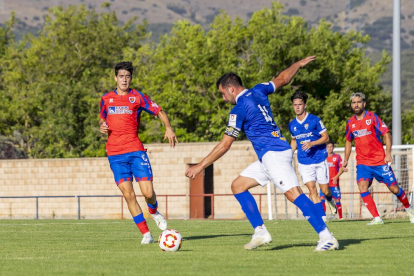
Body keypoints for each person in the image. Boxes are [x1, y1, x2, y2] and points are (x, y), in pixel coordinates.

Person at [185, 56, 339, 252]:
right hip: (269, 156)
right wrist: (297, 65)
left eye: (223, 94)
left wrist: (199, 166)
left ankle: (327, 237)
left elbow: (225, 144)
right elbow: (283, 79)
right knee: (238, 186)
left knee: (295, 194)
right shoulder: (258, 89)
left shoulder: (238, 109)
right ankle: (260, 231)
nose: (223, 98)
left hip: (273, 154)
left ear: (231, 89)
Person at [99, 61, 178, 243]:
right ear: (115, 78)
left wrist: (168, 127)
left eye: (127, 76)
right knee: (128, 194)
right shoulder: (106, 99)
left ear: (131, 78)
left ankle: (153, 211)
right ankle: (146, 234)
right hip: (115, 153)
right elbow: (102, 118)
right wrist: (102, 125)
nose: (124, 80)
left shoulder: (138, 97)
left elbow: (159, 111)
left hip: (135, 150)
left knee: (148, 193)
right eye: (121, 76)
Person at [343, 92, 414, 225]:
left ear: (364, 103)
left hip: (380, 161)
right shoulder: (350, 123)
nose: (356, 104)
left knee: (394, 189)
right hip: (363, 163)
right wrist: (346, 159)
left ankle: (409, 209)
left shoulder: (372, 117)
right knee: (362, 187)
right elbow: (348, 140)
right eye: (353, 102)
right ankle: (377, 218)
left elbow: (386, 134)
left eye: (359, 102)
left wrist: (388, 153)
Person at [288, 92, 337, 222]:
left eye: (300, 104)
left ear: (305, 105)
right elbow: (294, 140)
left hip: (319, 159)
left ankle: (330, 200)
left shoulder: (315, 120)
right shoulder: (292, 124)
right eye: (295, 105)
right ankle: (322, 216)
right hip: (304, 162)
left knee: (325, 190)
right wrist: (288, 154)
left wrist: (312, 143)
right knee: (311, 189)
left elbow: (325, 137)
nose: (297, 107)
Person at [319, 142, 347, 219]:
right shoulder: (322, 157)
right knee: (322, 198)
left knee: (337, 199)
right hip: (324, 182)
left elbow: (341, 168)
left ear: (333, 148)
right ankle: (323, 217)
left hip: (334, 183)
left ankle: (341, 217)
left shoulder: (337, 157)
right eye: (328, 147)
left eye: (331, 146)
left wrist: (336, 177)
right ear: (326, 148)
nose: (330, 148)